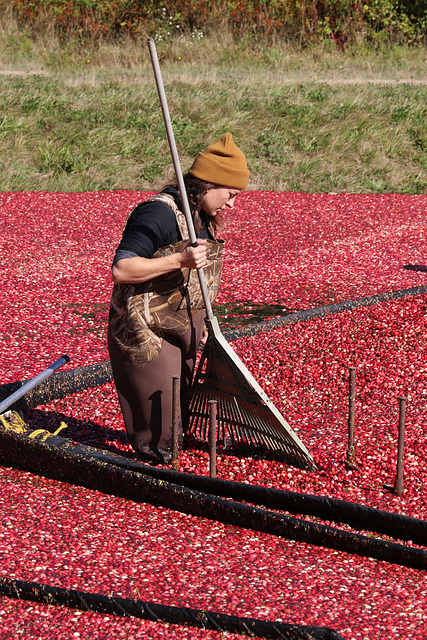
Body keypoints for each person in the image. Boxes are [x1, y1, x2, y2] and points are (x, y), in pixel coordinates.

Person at [107, 133, 250, 464]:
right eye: (230, 194)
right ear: (209, 183)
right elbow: (122, 269)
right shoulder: (158, 214)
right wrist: (178, 260)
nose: (232, 204)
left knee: (176, 429)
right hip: (144, 332)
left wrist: (201, 320)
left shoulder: (201, 219)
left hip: (181, 330)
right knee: (160, 438)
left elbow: (195, 281)